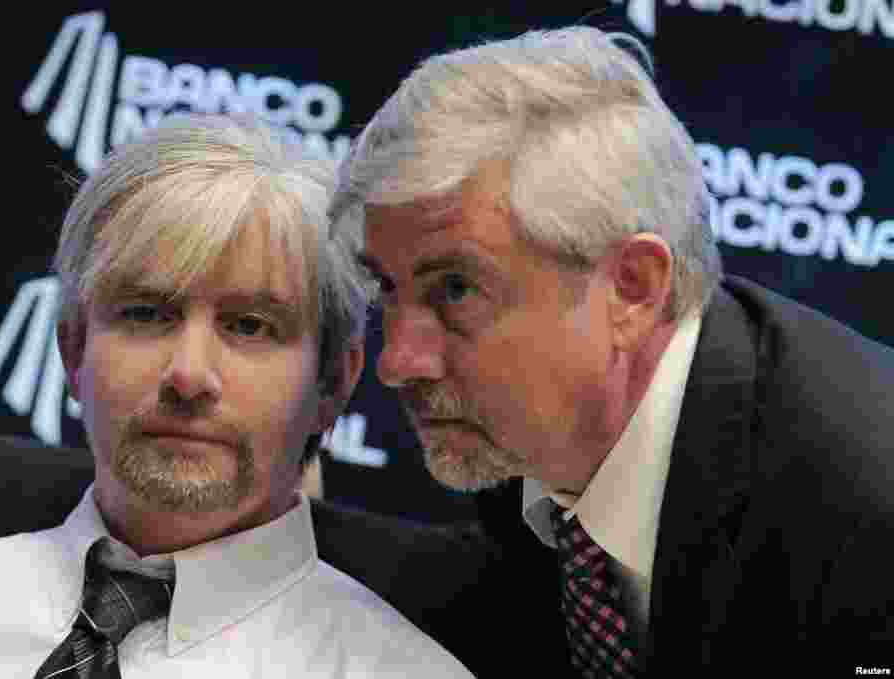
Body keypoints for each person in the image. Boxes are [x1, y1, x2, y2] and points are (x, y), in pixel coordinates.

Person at [330, 26, 894, 675]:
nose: (397, 360)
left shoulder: (864, 517)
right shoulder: (540, 426)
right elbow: (486, 583)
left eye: (455, 289)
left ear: (632, 288)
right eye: (388, 290)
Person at [0, 113, 473, 678]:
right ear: (73, 351)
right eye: (145, 314)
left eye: (249, 326)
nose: (188, 375)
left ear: (334, 382)